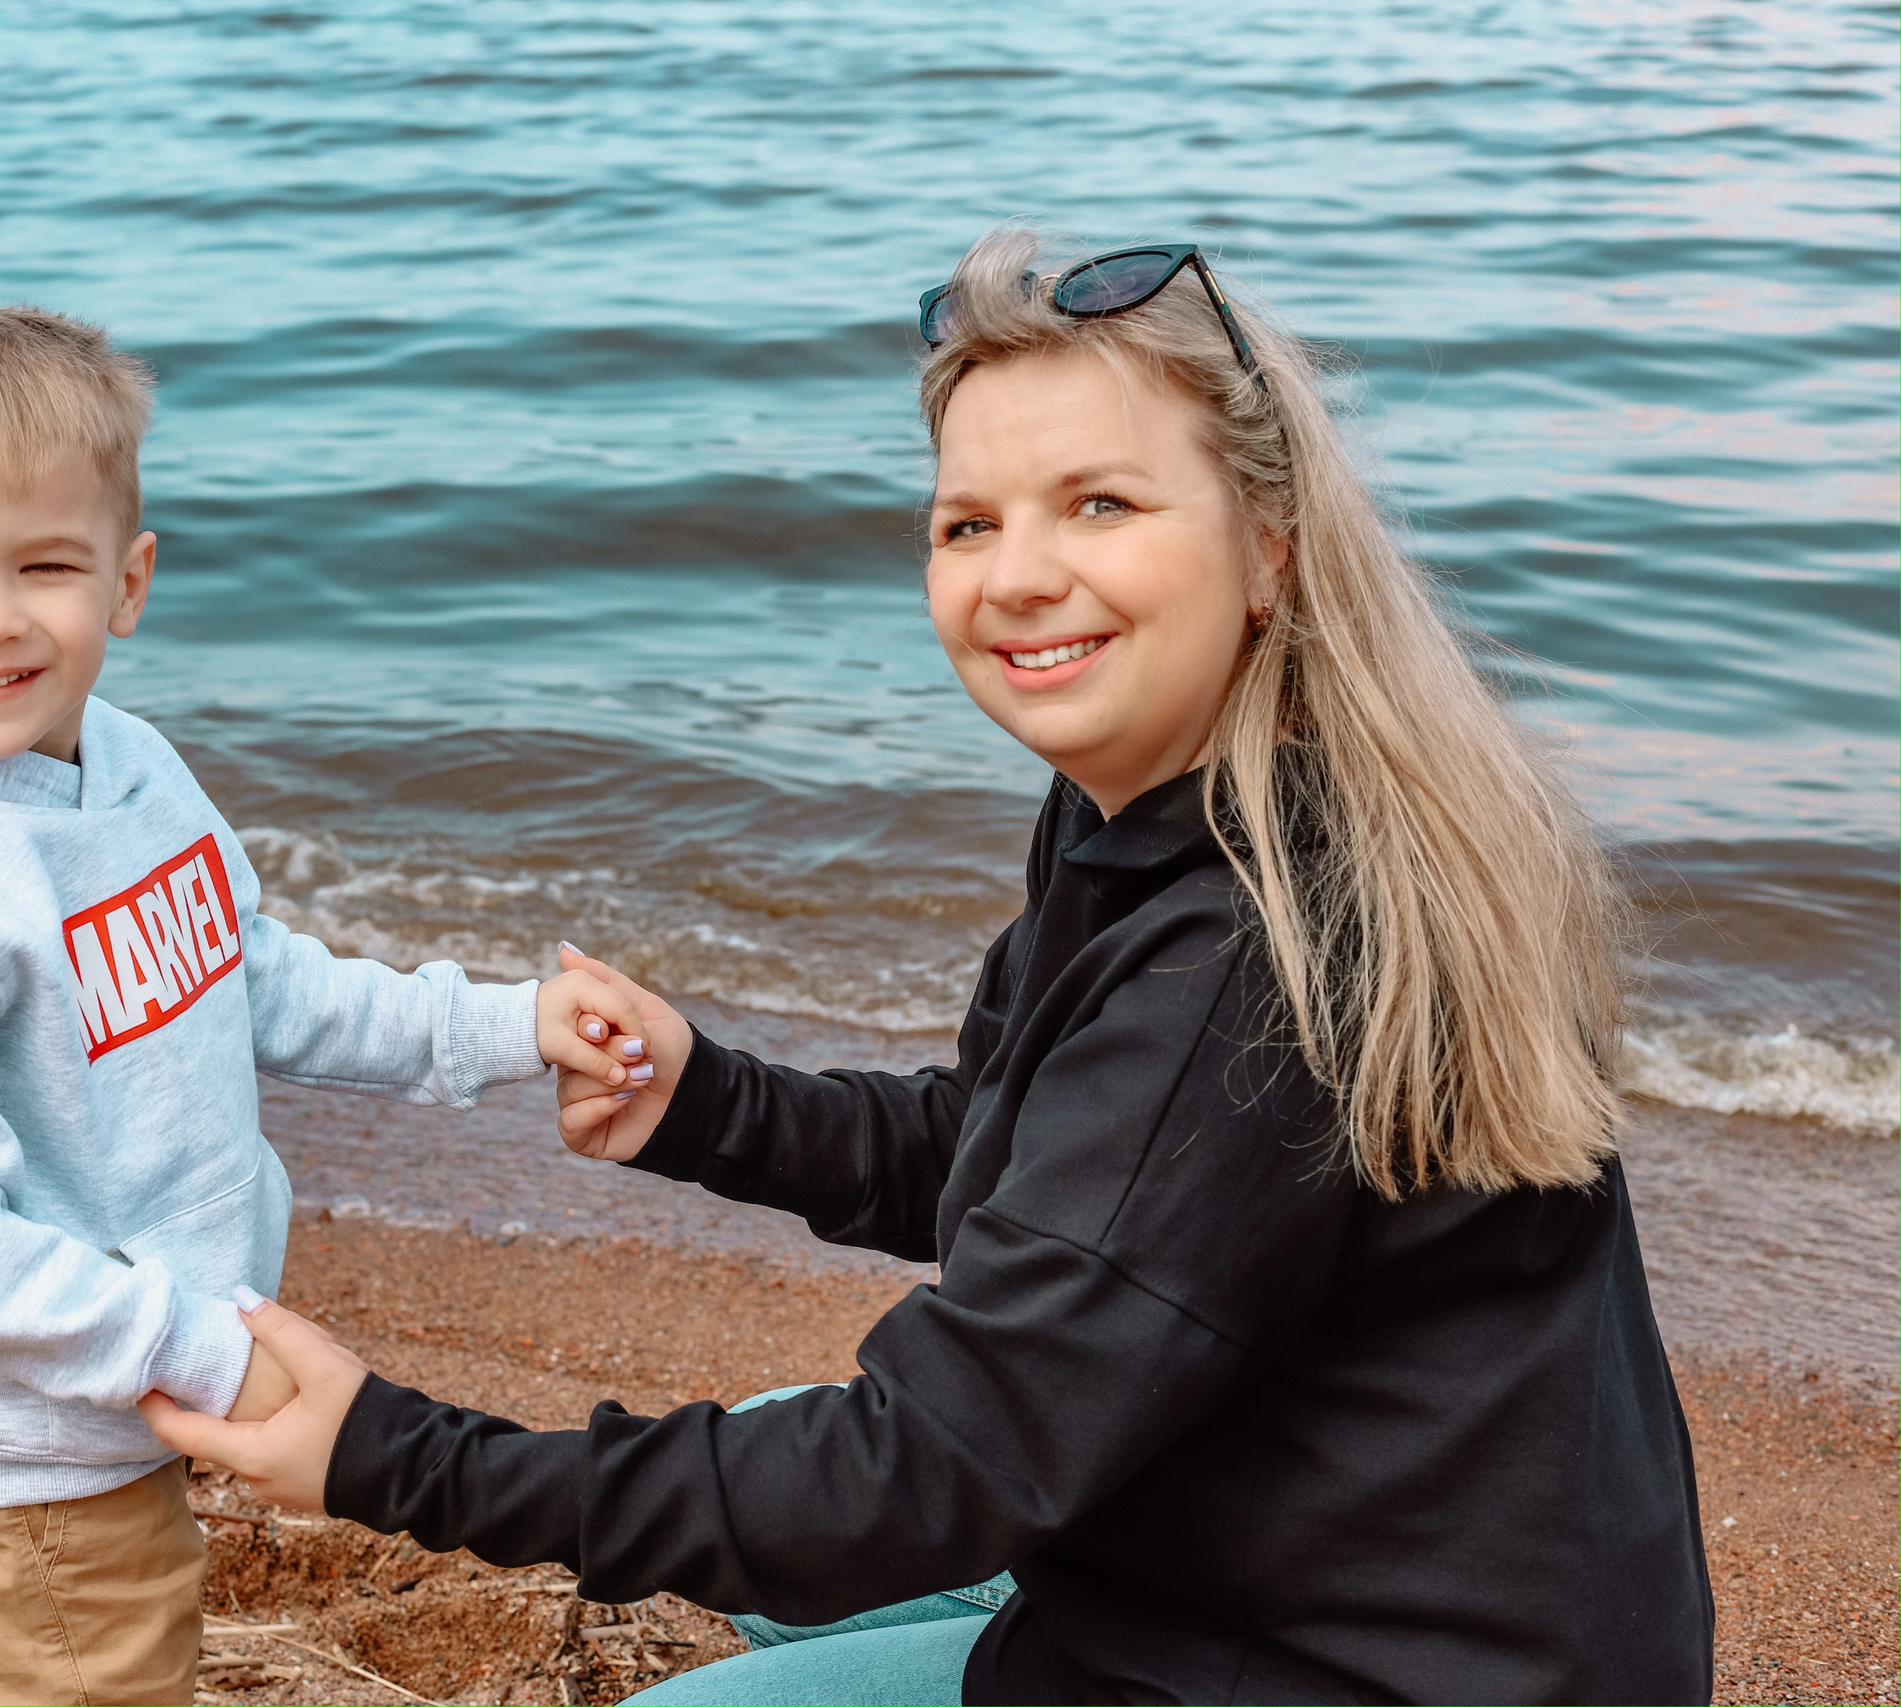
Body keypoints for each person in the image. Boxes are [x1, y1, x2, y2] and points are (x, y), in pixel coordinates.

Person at [142, 230, 1716, 1705]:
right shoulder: (1186, 804)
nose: (1017, 577)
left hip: (1359, 1668)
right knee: (765, 1460)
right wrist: (711, 1107)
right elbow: (1028, 1160)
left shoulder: (1245, 961)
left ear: (1269, 550)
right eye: (971, 523)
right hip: (1384, 1574)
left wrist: (393, 1457)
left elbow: (923, 1477)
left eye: (1101, 504)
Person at [0, 306, 652, 1706]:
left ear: (128, 582)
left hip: (125, 1392)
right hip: (18, 1457)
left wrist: (495, 1026)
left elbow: (250, 979)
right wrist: (194, 1348)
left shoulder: (130, 768)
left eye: (44, 565)